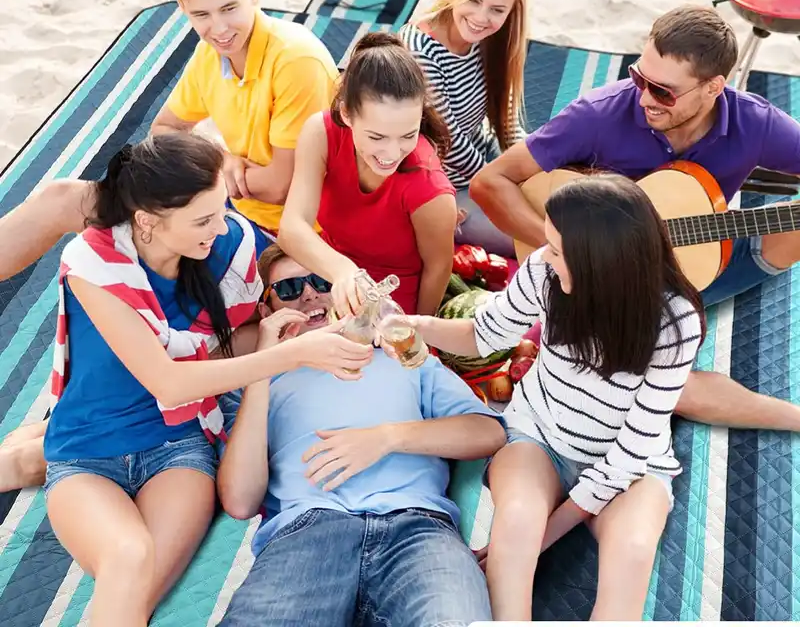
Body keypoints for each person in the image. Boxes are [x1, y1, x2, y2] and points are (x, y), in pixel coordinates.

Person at [11, 134, 373, 627]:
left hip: (178, 448)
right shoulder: (94, 265)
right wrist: (289, 355)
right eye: (204, 220)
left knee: (134, 590)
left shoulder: (222, 244)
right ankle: (24, 455)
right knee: (129, 556)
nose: (221, 227)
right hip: (88, 449)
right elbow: (169, 383)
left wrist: (341, 298)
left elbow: (281, 268)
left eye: (222, 210)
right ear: (147, 222)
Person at [469, 3, 800, 432]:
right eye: (639, 77)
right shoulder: (598, 115)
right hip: (604, 282)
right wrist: (568, 250)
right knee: (665, 387)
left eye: (663, 91)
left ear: (713, 87)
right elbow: (490, 182)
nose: (644, 97)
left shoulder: (754, 122)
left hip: (694, 264)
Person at [411, 174, 704, 620]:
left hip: (631, 466)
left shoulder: (675, 320)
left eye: (557, 249)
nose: (544, 256)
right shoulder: (544, 273)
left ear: (600, 262)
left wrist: (553, 530)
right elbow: (483, 333)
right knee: (516, 525)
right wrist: (419, 326)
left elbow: (633, 452)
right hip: (540, 439)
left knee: (632, 552)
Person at [0, 0, 339, 279]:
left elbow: (279, 188)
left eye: (229, 8)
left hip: (283, 236)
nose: (219, 28)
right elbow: (165, 129)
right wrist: (222, 160)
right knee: (60, 198)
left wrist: (215, 179)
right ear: (182, 8)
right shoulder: (211, 54)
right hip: (223, 205)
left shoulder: (296, 60)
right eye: (202, 14)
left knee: (134, 246)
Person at [215, 241, 506, 627]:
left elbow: (487, 431)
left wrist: (386, 437)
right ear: (268, 311)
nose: (307, 293)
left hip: (417, 528)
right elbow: (239, 500)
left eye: (320, 281)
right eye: (288, 289)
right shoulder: (258, 385)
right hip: (308, 531)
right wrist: (261, 367)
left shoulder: (401, 358)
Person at [278, 32, 458, 318]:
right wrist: (344, 272)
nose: (392, 151)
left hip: (389, 306)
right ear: (347, 114)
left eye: (407, 135)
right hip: (326, 275)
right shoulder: (321, 133)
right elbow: (291, 228)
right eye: (377, 136)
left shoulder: (430, 190)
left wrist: (420, 332)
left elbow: (438, 269)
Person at [400, 0, 528, 257]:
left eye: (497, 10)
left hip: (484, 161)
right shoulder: (420, 48)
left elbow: (505, 121)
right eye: (474, 0)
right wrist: (502, 185)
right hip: (441, 184)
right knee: (529, 238)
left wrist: (530, 158)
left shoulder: (492, 40)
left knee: (556, 196)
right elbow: (450, 142)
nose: (481, 17)